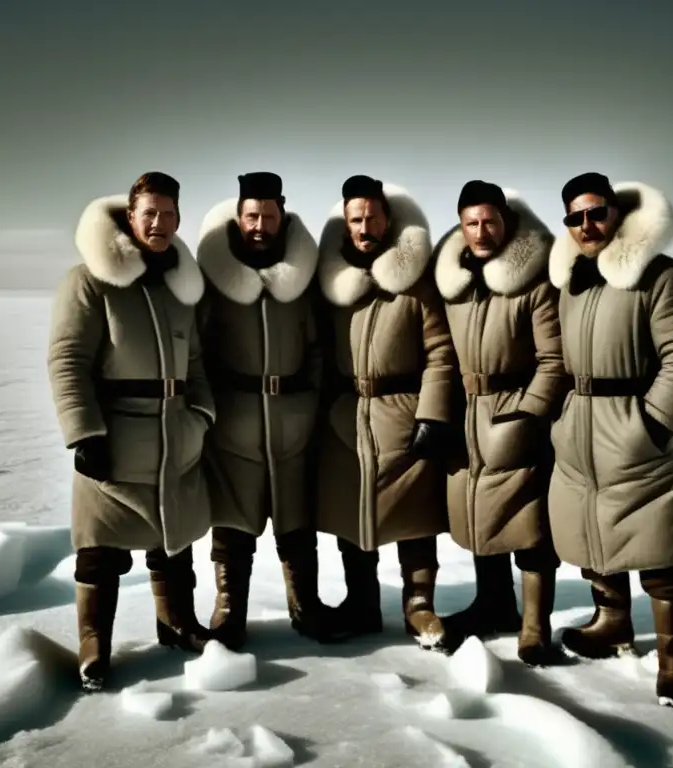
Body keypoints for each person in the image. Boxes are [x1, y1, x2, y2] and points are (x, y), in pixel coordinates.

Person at [546, 172, 673, 707]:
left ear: (617, 214)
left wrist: (651, 426)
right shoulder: (573, 283)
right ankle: (612, 626)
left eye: (596, 212)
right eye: (575, 217)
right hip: (579, 433)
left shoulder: (663, 277)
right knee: (592, 538)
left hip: (634, 434)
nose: (586, 224)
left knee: (661, 554)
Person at [48, 171, 216, 692]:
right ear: (130, 217)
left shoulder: (180, 286)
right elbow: (67, 359)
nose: (159, 223)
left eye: (169, 214)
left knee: (175, 540)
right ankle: (93, 643)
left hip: (176, 434)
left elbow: (197, 364)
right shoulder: (90, 279)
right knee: (100, 549)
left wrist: (202, 414)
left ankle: (177, 624)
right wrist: (84, 433)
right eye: (150, 213)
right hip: (115, 438)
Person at [195, 171, 343, 649]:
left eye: (269, 216)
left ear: (282, 216)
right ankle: (228, 609)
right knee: (233, 523)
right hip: (233, 422)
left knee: (296, 521)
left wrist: (312, 403)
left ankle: (306, 606)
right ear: (238, 217)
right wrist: (208, 410)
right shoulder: (213, 280)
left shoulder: (302, 277)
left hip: (293, 419)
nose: (260, 225)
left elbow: (319, 346)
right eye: (251, 216)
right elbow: (197, 347)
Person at [315, 175, 456, 652]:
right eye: (356, 218)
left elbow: (441, 353)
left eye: (373, 216)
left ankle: (420, 607)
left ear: (388, 220)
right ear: (345, 224)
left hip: (404, 412)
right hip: (347, 415)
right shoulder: (332, 284)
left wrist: (433, 415)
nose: (364, 226)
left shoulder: (416, 283)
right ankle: (361, 603)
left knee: (414, 517)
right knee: (353, 518)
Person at [433, 180, 570, 664]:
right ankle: (492, 605)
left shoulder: (532, 283)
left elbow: (554, 361)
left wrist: (528, 414)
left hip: (514, 412)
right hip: (469, 414)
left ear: (505, 222)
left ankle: (535, 624)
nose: (481, 231)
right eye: (471, 223)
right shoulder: (457, 285)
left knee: (529, 525)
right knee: (479, 517)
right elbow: (443, 355)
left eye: (490, 221)